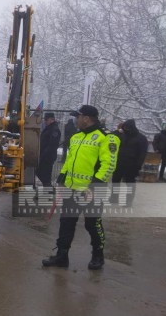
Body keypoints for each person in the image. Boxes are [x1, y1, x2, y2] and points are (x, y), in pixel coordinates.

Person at [42, 105, 119, 270]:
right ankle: (62, 256)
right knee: (66, 222)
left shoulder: (107, 138)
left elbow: (109, 165)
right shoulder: (76, 137)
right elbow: (69, 161)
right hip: (71, 188)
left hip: (92, 190)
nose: (75, 120)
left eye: (78, 117)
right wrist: (62, 180)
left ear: (86, 118)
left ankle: (98, 255)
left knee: (92, 224)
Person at [36, 113, 61, 187]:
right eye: (44, 120)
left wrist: (43, 155)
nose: (45, 121)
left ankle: (49, 193)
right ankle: (48, 192)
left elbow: (52, 146)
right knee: (41, 174)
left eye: (46, 120)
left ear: (51, 119)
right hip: (44, 155)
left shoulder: (54, 129)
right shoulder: (49, 128)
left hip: (48, 157)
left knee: (45, 176)